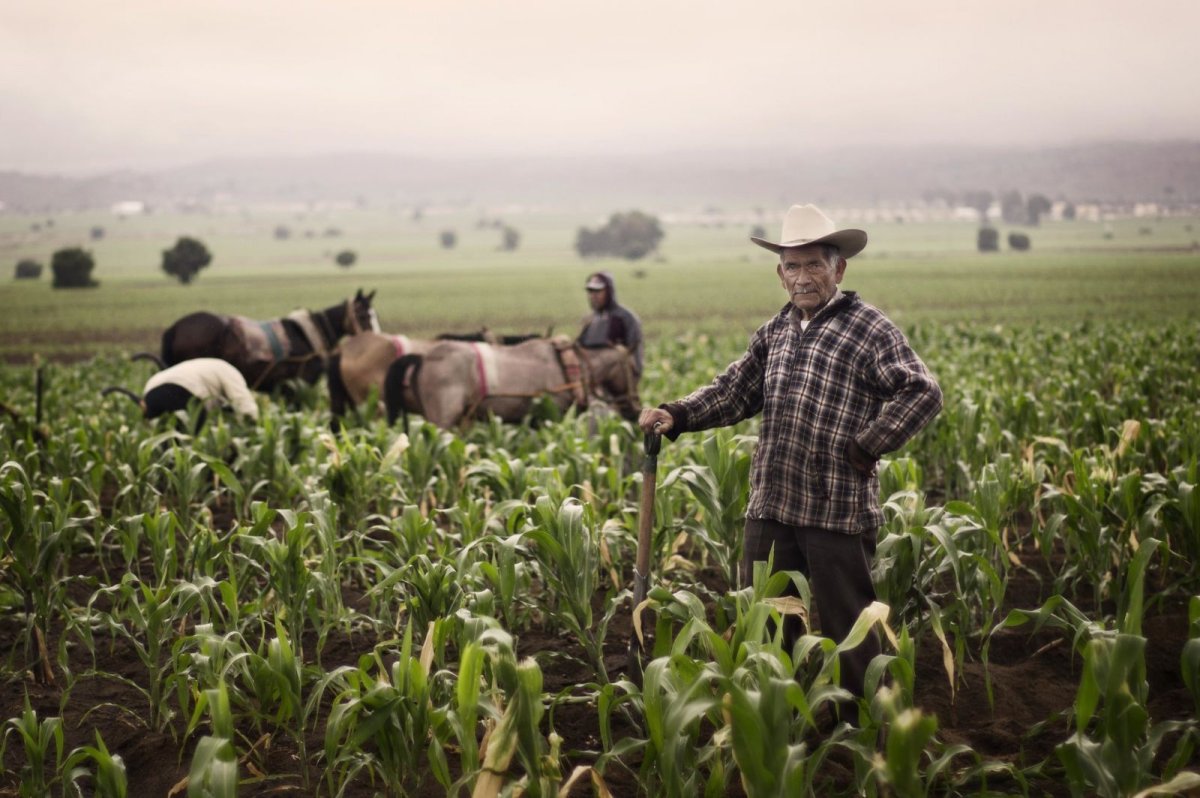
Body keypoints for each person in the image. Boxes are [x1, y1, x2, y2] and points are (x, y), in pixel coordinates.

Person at [637, 203, 942, 699]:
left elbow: (922, 391)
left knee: (851, 628)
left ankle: (862, 734)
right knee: (770, 622)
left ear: (838, 268)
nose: (802, 277)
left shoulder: (869, 328)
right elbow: (735, 390)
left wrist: (867, 446)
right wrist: (680, 414)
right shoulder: (776, 332)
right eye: (792, 266)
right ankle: (784, 720)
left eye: (814, 264)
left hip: (836, 507)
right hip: (773, 503)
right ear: (780, 275)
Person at [140, 357, 259, 427]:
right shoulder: (231, 372)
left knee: (164, 442)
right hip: (184, 390)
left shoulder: (210, 364)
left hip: (151, 391)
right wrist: (253, 426)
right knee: (196, 440)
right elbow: (243, 402)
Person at [577, 271, 644, 376]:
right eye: (591, 291)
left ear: (609, 291)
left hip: (618, 379)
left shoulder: (626, 317)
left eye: (598, 291)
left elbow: (636, 352)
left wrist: (634, 375)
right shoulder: (588, 320)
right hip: (590, 377)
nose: (593, 296)